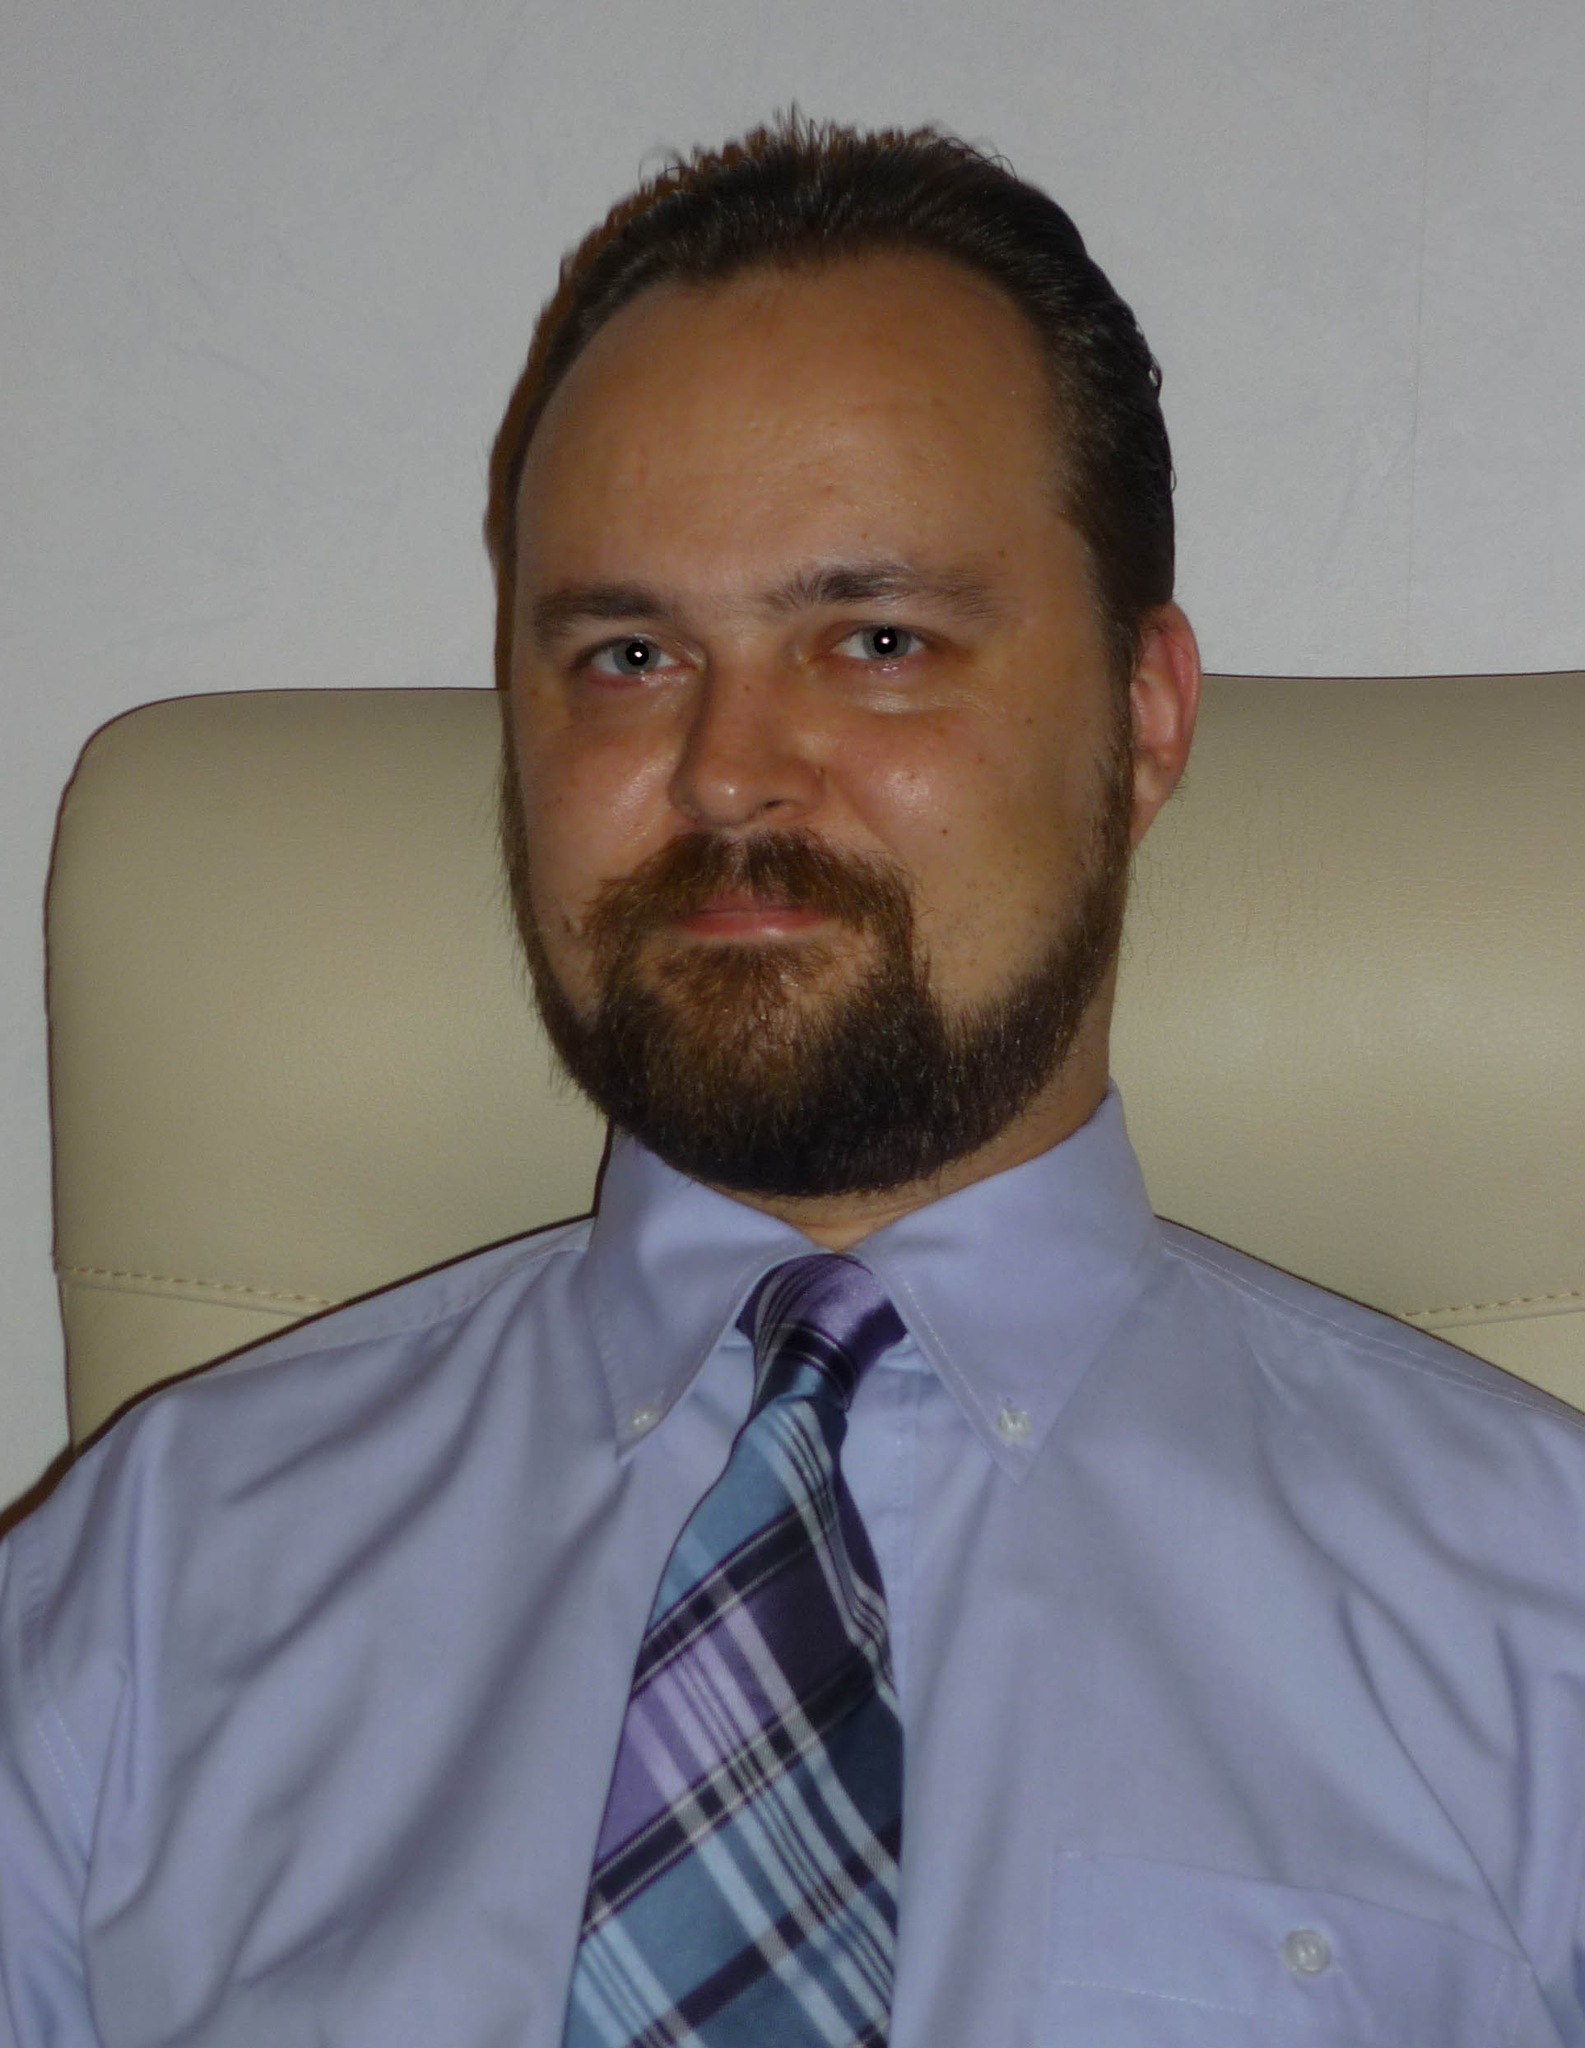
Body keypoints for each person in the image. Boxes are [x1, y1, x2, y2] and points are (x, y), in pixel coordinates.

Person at [2, 117, 1583, 2048]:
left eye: (878, 639)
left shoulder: (1534, 1610)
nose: (728, 770)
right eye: (628, 653)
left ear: (1145, 716)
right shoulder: (148, 1584)